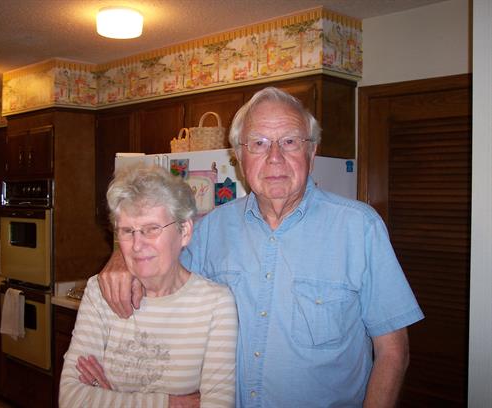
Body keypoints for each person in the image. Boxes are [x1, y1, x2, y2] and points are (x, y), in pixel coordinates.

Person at [95, 87, 425, 407]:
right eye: (259, 144)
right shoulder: (209, 229)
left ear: (312, 151)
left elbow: (394, 352)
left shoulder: (359, 227)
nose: (275, 157)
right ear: (238, 156)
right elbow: (155, 282)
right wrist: (121, 258)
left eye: (290, 142)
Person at [59, 164, 238, 407]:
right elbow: (71, 399)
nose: (136, 245)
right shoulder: (100, 292)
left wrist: (111, 399)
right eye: (127, 231)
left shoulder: (215, 304)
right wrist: (171, 403)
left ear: (184, 231)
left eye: (151, 229)